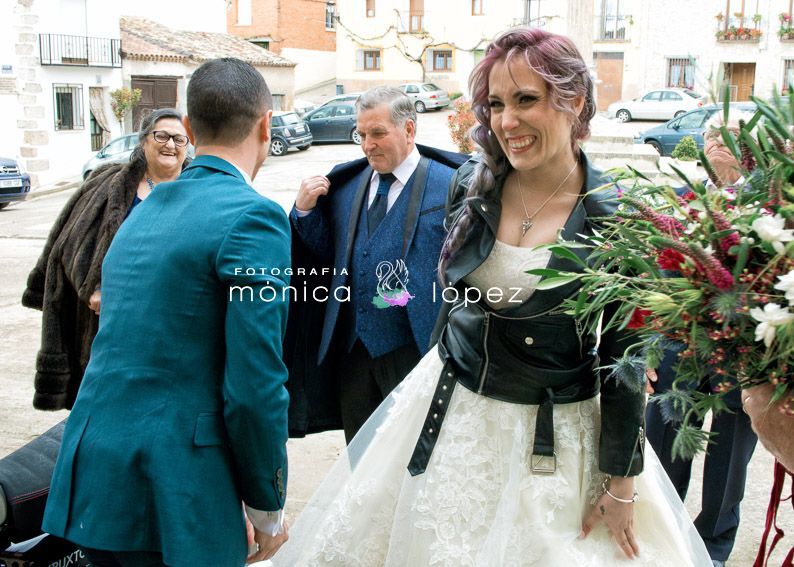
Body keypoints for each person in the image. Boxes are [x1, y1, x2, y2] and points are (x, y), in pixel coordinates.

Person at [273, 28, 711, 566]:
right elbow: (451, 302)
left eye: (526, 99)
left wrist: (621, 482)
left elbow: (624, 360)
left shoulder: (612, 213)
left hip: (555, 432)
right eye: (497, 104)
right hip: (452, 411)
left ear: (573, 102)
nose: (507, 122)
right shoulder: (472, 186)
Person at [42, 58, 291, 566]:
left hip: (96, 472)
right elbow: (255, 385)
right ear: (267, 124)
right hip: (177, 484)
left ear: (192, 131)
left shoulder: (146, 208)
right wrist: (268, 505)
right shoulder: (255, 217)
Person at [287, 86, 466, 442]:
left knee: (413, 456)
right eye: (362, 134)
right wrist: (304, 211)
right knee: (361, 455)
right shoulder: (348, 184)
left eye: (378, 133)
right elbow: (330, 253)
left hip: (417, 349)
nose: (367, 145)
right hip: (353, 353)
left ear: (409, 130)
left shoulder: (451, 184)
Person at [645, 112, 758, 567]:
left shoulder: (773, 210)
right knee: (664, 448)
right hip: (676, 347)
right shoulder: (676, 200)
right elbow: (647, 280)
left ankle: (712, 548)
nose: (716, 141)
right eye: (710, 134)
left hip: (743, 355)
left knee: (729, 461)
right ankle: (664, 539)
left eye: (727, 135)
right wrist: (645, 348)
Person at [21, 108, 191, 411]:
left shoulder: (198, 188)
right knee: (106, 403)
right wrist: (93, 286)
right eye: (161, 136)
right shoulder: (108, 185)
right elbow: (70, 241)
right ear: (143, 142)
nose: (170, 145)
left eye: (180, 139)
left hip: (170, 319)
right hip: (110, 318)